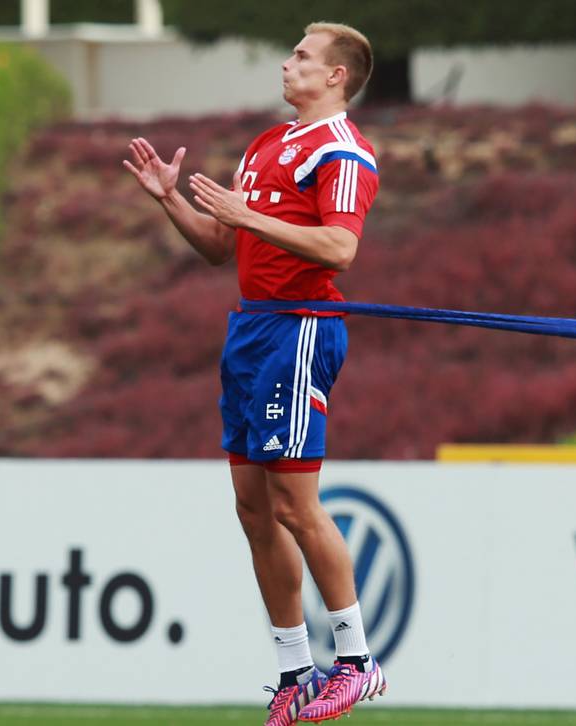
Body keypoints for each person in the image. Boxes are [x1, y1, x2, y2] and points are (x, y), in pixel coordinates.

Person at [122, 22, 384, 725]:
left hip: (299, 331)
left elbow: (340, 247)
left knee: (297, 505)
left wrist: (249, 218)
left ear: (336, 76)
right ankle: (296, 670)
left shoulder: (343, 151)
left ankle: (356, 662)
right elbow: (219, 246)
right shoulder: (268, 145)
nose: (287, 62)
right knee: (252, 509)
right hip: (250, 329)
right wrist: (170, 198)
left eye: (302, 55)